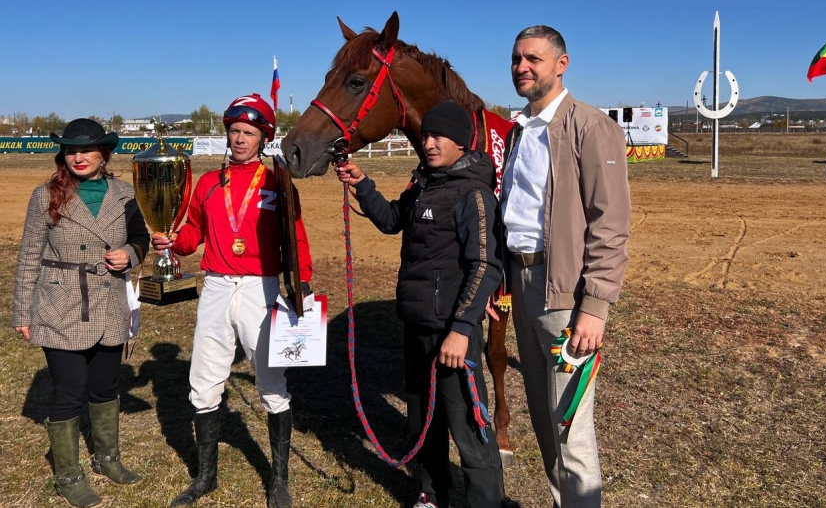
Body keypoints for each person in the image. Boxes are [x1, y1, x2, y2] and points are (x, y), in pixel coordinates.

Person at [334, 101, 506, 508]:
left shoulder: (474, 194)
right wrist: (363, 184)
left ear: (461, 142)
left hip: (451, 334)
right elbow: (394, 219)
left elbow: (486, 265)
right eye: (425, 136)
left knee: (468, 427)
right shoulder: (424, 184)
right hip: (415, 327)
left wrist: (462, 330)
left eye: (438, 136)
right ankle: (432, 493)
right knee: (422, 423)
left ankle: (486, 502)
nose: (428, 143)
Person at [151, 93, 313, 508]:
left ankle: (278, 479)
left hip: (263, 289)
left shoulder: (278, 181)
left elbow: (297, 238)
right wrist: (171, 240)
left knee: (271, 383)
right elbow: (192, 235)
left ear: (263, 137)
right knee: (204, 383)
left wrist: (303, 288)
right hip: (218, 287)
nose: (240, 138)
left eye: (249, 132)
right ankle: (206, 476)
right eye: (234, 131)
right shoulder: (207, 183)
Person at [500, 26, 630, 508]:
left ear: (562, 64)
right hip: (522, 281)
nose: (521, 67)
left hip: (566, 297)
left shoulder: (591, 126)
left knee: (570, 427)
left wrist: (594, 307)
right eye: (516, 59)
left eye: (533, 58)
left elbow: (610, 223)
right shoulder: (521, 130)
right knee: (542, 420)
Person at [13, 118, 149, 508]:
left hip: (109, 302)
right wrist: (23, 312)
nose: (78, 157)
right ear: (63, 155)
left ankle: (107, 458)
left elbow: (141, 238)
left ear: (103, 154)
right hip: (60, 304)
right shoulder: (45, 196)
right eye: (71, 150)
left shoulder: (125, 193)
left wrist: (131, 254)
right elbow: (28, 257)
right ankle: (69, 475)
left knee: (105, 387)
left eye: (86, 150)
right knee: (69, 392)